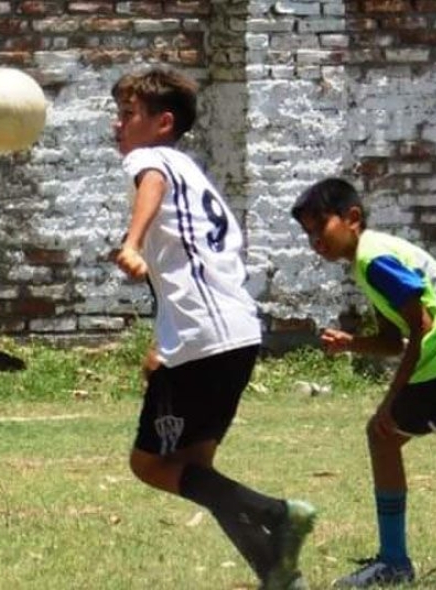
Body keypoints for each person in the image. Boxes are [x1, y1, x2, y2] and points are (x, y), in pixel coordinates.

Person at [110, 67, 316, 590]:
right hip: (236, 334)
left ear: (163, 123)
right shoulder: (194, 175)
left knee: (149, 465)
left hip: (204, 340)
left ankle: (279, 512)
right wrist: (165, 338)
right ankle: (276, 574)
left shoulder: (152, 160)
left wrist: (132, 243)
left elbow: (148, 182)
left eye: (128, 115)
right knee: (196, 468)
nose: (118, 126)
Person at [292, 178, 436, 587]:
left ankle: (393, 561)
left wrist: (389, 401)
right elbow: (394, 340)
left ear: (352, 218)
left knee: (382, 434)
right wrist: (353, 344)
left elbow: (421, 327)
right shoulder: (376, 255)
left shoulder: (373, 260)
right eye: (308, 234)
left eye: (321, 227)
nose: (315, 240)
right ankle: (392, 560)